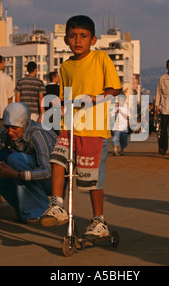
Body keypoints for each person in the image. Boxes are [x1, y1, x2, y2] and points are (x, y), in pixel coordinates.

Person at [39, 15, 122, 238]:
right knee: (57, 160)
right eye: (73, 36)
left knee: (91, 177)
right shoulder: (65, 67)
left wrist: (94, 99)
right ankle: (56, 205)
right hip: (70, 124)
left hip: (94, 128)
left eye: (83, 36)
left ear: (93, 40)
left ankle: (99, 221)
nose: (78, 40)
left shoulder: (101, 59)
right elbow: (67, 95)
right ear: (66, 40)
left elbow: (114, 89)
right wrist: (58, 103)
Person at [0, 102, 57, 223]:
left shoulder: (37, 133)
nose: (10, 132)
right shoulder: (5, 132)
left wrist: (17, 174)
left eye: (14, 128)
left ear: (24, 124)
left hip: (53, 181)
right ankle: (24, 211)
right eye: (7, 127)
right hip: (29, 173)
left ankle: (42, 211)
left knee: (15, 160)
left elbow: (47, 171)